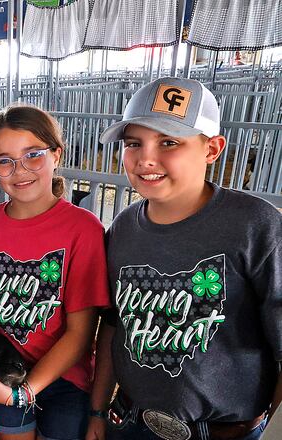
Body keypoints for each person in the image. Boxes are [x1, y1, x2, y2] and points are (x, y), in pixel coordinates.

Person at [85, 77, 282, 440]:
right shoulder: (124, 227)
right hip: (130, 420)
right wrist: (98, 410)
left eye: (169, 142)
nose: (146, 159)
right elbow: (114, 325)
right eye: (133, 143)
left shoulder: (257, 225)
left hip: (223, 431)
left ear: (212, 149)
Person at [0, 105, 111, 440]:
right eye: (4, 161)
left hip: (65, 377)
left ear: (56, 154)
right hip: (1, 371)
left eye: (33, 155)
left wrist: (25, 392)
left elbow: (80, 333)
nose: (19, 170)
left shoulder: (84, 229)